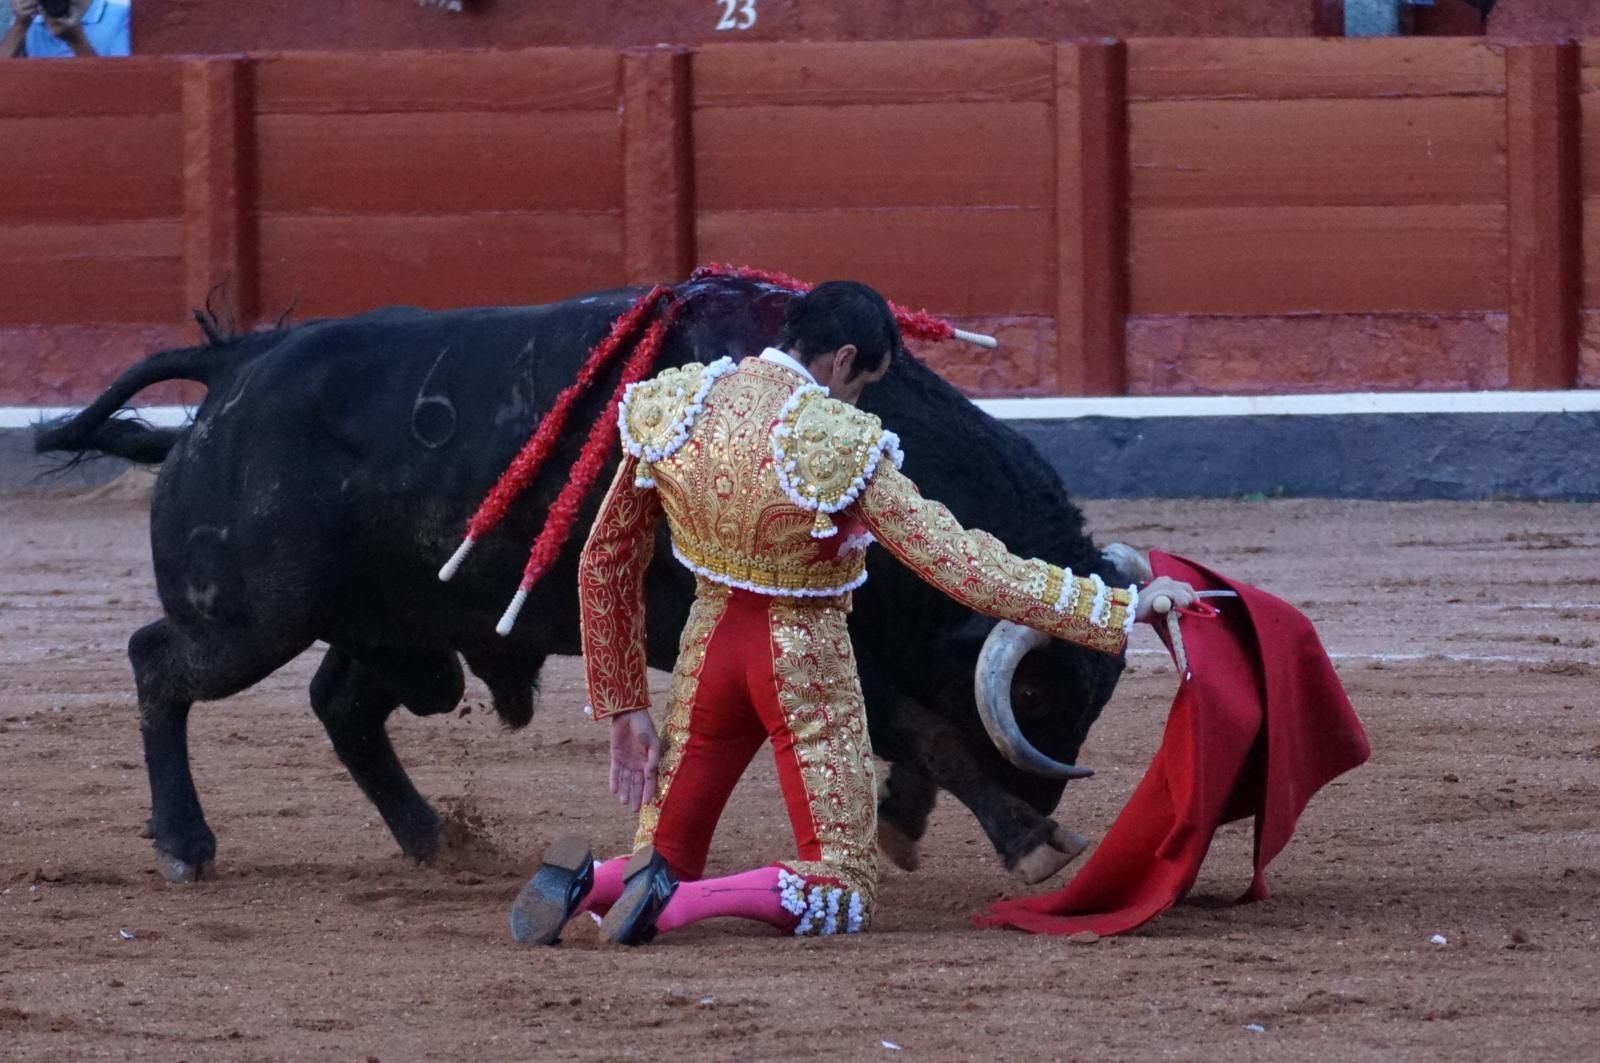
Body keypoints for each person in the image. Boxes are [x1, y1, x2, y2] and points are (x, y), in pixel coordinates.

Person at [510, 281, 1197, 946]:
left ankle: (588, 885)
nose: (858, 396)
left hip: (707, 656)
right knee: (842, 887)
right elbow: (963, 565)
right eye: (864, 381)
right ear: (842, 361)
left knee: (666, 851)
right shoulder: (836, 441)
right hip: (800, 665)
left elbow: (603, 558)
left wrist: (624, 702)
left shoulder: (677, 405)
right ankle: (678, 903)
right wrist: (1119, 607)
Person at [2, 0, 131, 59]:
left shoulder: (120, 17)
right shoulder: (29, 17)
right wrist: (19, 26)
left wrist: (77, 41)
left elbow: (116, 91)